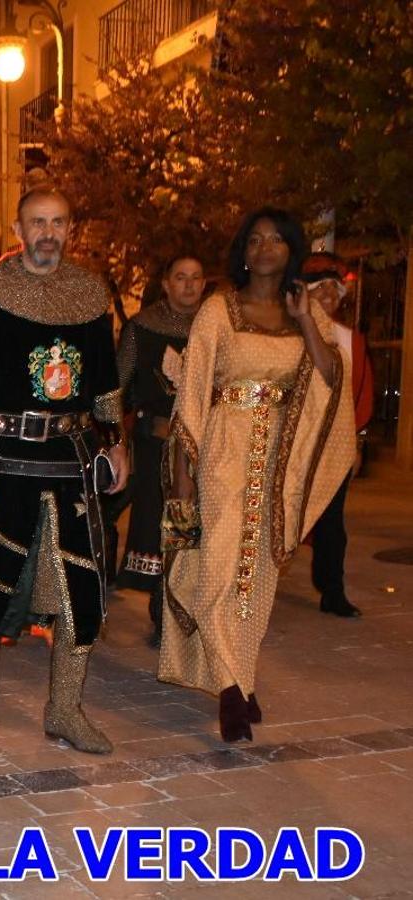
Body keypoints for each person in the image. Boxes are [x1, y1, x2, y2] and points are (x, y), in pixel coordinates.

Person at [0, 185, 129, 755]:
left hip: (70, 460)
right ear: (18, 230)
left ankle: (65, 710)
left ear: (71, 228)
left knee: (82, 589)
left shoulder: (91, 295)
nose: (48, 232)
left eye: (59, 222)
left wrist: (114, 443)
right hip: (3, 460)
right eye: (38, 223)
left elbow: (105, 385)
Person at [160, 209, 353, 742]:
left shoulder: (303, 309)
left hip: (277, 463)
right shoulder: (218, 308)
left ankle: (241, 677)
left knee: (257, 575)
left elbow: (330, 376)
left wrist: (308, 319)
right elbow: (193, 389)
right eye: (255, 239)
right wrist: (183, 472)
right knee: (219, 567)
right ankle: (229, 691)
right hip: (223, 449)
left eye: (276, 240)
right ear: (243, 251)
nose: (266, 247)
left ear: (290, 250)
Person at [115, 254, 207, 646]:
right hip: (156, 444)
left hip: (207, 448)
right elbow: (117, 387)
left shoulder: (216, 328)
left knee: (196, 529)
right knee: (160, 529)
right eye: (180, 277)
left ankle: (183, 606)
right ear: (166, 283)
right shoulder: (142, 327)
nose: (188, 285)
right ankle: (161, 608)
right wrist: (117, 439)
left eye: (196, 277)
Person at [302, 254, 373, 618]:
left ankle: (332, 589)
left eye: (334, 288)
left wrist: (357, 442)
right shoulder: (290, 333)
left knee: (333, 520)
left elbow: (361, 394)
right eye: (320, 288)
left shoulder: (351, 340)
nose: (329, 295)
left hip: (336, 445)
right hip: (295, 443)